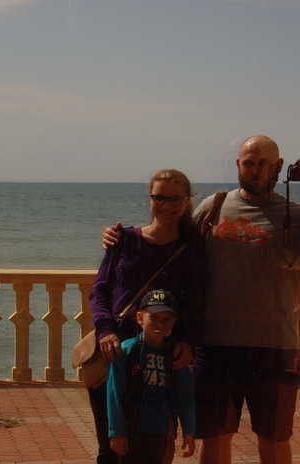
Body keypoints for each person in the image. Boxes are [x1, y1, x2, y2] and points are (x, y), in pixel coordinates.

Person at [103, 136, 300, 464]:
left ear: (279, 167)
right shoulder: (214, 207)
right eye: (249, 163)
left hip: (275, 348)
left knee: (275, 439)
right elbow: (167, 238)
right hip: (214, 348)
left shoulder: (296, 214)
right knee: (214, 439)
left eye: (264, 163)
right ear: (238, 165)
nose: (256, 170)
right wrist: (121, 237)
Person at [89, 169, 203, 464]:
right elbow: (100, 291)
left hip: (159, 362)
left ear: (187, 201)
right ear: (149, 198)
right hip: (115, 353)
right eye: (159, 198)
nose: (167, 205)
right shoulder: (123, 240)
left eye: (175, 199)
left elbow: (194, 307)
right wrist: (105, 331)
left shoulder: (190, 252)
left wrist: (188, 343)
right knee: (110, 448)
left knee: (153, 447)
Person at [107, 290, 197, 464]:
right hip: (132, 431)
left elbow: (186, 397)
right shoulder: (127, 351)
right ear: (140, 318)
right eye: (154, 317)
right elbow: (114, 394)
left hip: (163, 432)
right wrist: (116, 431)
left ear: (174, 323)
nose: (160, 323)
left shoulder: (175, 356)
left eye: (167, 319)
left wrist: (189, 431)